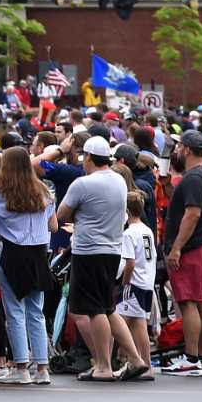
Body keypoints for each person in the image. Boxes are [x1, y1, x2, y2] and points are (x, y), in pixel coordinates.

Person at [55, 136, 149, 382]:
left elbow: (62, 214)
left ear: (87, 157)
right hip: (112, 250)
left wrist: (79, 214)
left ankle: (104, 366)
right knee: (108, 307)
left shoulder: (83, 184)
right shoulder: (119, 180)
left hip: (88, 251)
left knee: (93, 309)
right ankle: (136, 359)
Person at [0, 145, 56, 385]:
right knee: (35, 312)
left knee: (14, 312)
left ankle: (21, 366)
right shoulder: (45, 192)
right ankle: (42, 367)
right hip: (38, 253)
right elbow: (53, 226)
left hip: (11, 252)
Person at [160, 130, 202, 375]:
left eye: (178, 147)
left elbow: (192, 213)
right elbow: (188, 205)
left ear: (186, 149)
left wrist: (176, 248)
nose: (175, 151)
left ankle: (192, 358)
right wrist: (168, 189)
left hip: (192, 248)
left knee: (188, 303)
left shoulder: (193, 178)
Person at [118, 191, 158, 371]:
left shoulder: (129, 233)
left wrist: (124, 282)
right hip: (147, 281)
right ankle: (145, 364)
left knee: (118, 321)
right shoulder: (147, 230)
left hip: (133, 283)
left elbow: (130, 262)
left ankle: (126, 359)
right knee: (138, 323)